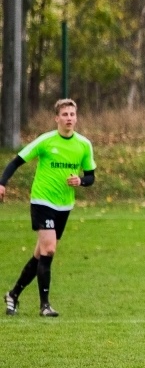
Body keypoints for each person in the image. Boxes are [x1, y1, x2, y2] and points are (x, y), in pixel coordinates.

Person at [0, 98, 96, 317]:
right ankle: (44, 306)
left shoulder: (83, 145)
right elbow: (16, 161)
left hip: (64, 205)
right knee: (49, 249)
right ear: (56, 118)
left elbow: (91, 177)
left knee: (40, 255)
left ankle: (13, 294)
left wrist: (80, 181)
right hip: (42, 201)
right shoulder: (45, 141)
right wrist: (2, 183)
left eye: (72, 114)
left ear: (76, 117)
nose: (69, 118)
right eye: (65, 115)